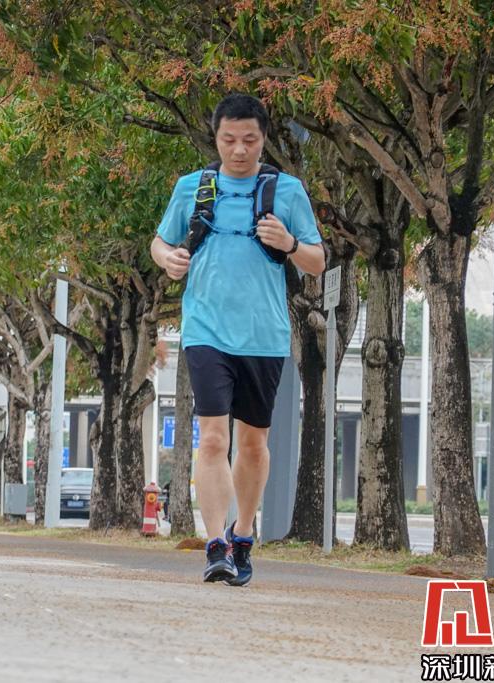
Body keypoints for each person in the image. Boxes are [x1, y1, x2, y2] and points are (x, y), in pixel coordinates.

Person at [151, 93, 325, 586]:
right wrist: (168, 258)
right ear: (216, 138)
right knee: (212, 437)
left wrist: (289, 243)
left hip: (264, 336)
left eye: (249, 139)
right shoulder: (193, 187)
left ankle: (243, 532)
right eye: (229, 140)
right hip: (205, 330)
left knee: (252, 445)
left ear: (264, 139)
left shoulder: (286, 191)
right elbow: (159, 241)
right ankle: (215, 544)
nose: (240, 149)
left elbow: (317, 261)